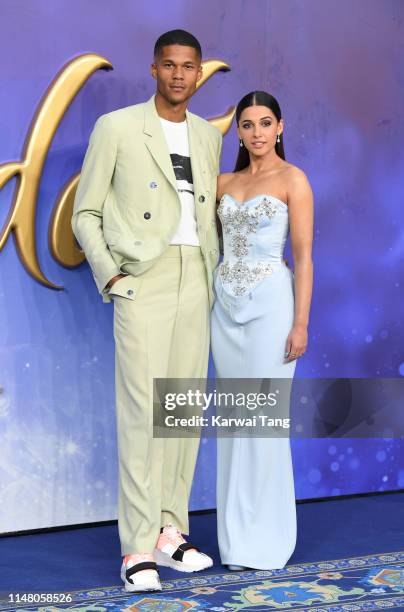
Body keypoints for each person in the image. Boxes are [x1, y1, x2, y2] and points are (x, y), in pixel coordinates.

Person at [72, 29, 222, 592]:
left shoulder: (208, 136)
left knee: (182, 412)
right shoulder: (117, 127)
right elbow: (84, 213)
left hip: (197, 279)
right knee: (142, 416)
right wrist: (111, 275)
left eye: (189, 66)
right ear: (154, 69)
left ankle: (169, 530)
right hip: (143, 281)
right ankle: (137, 548)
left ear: (199, 71)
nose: (180, 75)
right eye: (169, 65)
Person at [211, 91, 313, 570]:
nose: (256, 133)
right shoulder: (222, 182)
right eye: (247, 125)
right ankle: (234, 543)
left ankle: (267, 540)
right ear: (238, 132)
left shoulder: (294, 180)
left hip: (273, 308)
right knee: (234, 425)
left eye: (264, 123)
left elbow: (305, 259)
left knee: (264, 424)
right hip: (223, 311)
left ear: (281, 127)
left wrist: (301, 324)